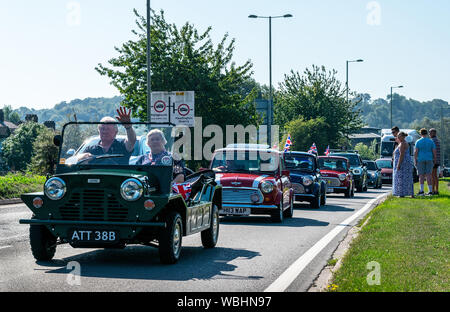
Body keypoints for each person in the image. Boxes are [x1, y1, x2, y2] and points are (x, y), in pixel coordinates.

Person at [414, 128, 437, 196]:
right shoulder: (431, 141)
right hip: (429, 159)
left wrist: (415, 160)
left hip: (420, 159)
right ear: (426, 133)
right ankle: (430, 191)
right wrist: (434, 159)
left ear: (420, 134)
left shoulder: (418, 141)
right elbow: (434, 151)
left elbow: (416, 152)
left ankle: (422, 191)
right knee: (429, 175)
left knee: (421, 175)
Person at [392, 132, 414, 197]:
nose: (398, 137)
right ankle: (409, 193)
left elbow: (402, 154)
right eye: (398, 136)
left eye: (399, 136)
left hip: (403, 163)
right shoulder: (403, 143)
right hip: (405, 162)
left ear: (403, 137)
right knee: (407, 177)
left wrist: (398, 165)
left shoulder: (402, 144)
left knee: (401, 177)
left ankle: (401, 193)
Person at [429, 128, 441, 195]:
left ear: (434, 133)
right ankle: (436, 190)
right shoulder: (437, 140)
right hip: (437, 160)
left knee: (432, 176)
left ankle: (433, 190)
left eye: (430, 133)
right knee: (435, 176)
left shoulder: (432, 141)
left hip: (433, 160)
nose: (429, 134)